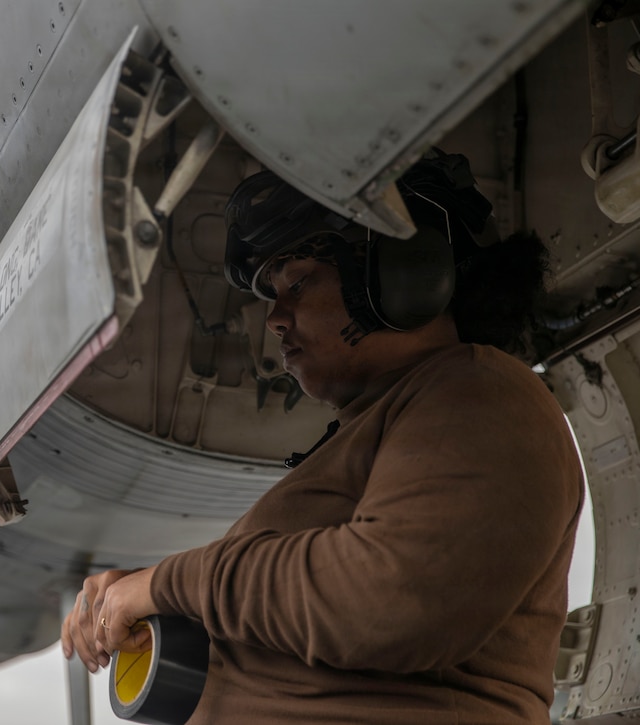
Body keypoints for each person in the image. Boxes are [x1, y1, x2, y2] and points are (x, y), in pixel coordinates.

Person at [61, 150, 584, 724]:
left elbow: (388, 603)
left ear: (400, 271)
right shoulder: (393, 419)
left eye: (298, 283)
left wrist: (166, 584)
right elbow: (278, 614)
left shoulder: (481, 394)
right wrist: (142, 606)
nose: (275, 319)